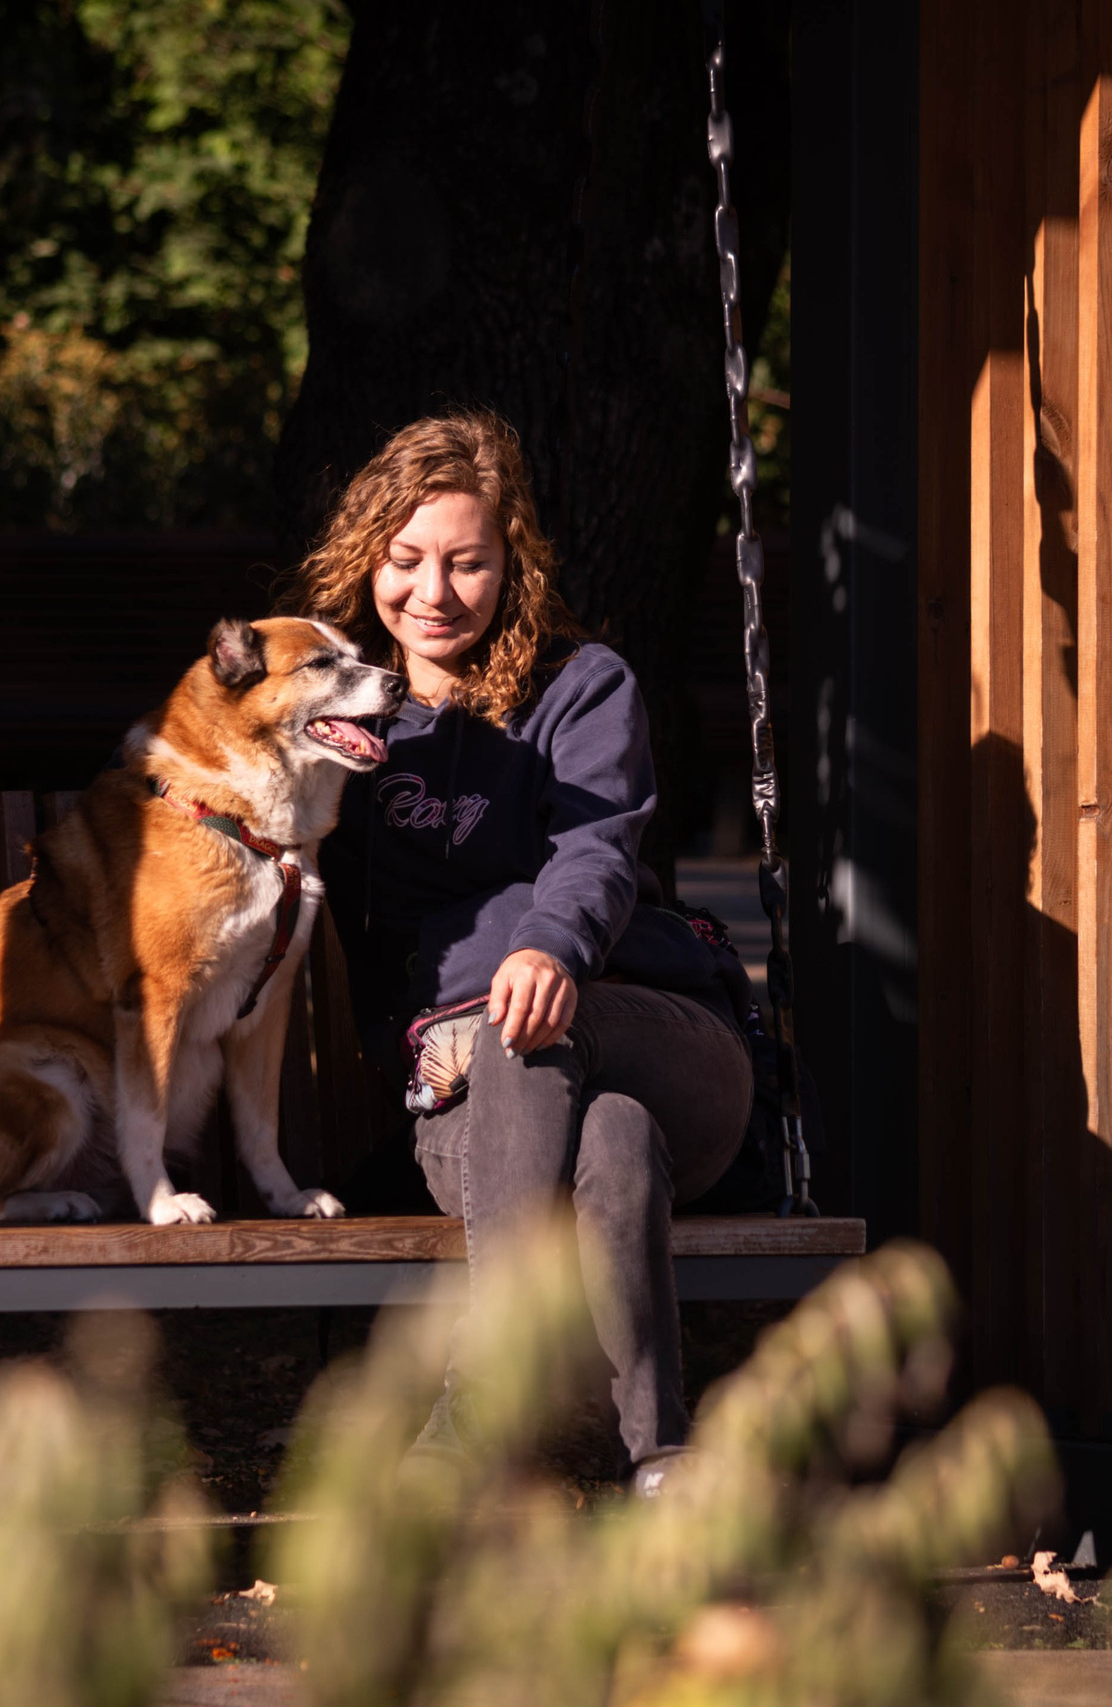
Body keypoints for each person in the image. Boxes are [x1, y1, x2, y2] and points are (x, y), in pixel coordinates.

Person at [293, 409, 759, 1495]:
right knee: (612, 1136)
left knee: (538, 1027)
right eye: (406, 560)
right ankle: (664, 1461)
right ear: (367, 562)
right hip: (471, 1101)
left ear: (513, 564)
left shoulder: (581, 688)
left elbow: (594, 850)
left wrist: (550, 947)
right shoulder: (343, 724)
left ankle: (474, 1411)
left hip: (651, 1031)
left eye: (467, 562)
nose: (434, 592)